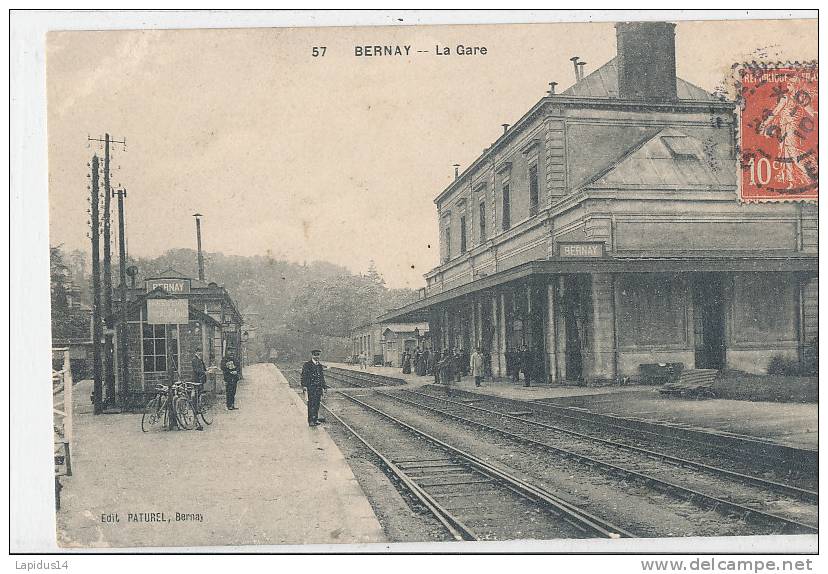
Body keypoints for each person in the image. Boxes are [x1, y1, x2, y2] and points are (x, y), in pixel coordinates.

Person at [300, 349, 328, 427]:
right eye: (315, 355)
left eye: (318, 355)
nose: (317, 357)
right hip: (310, 388)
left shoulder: (319, 365)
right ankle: (310, 421)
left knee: (317, 404)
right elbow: (303, 376)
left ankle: (315, 419)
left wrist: (324, 386)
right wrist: (304, 386)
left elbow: (322, 377)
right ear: (312, 355)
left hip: (318, 388)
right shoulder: (307, 365)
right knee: (311, 404)